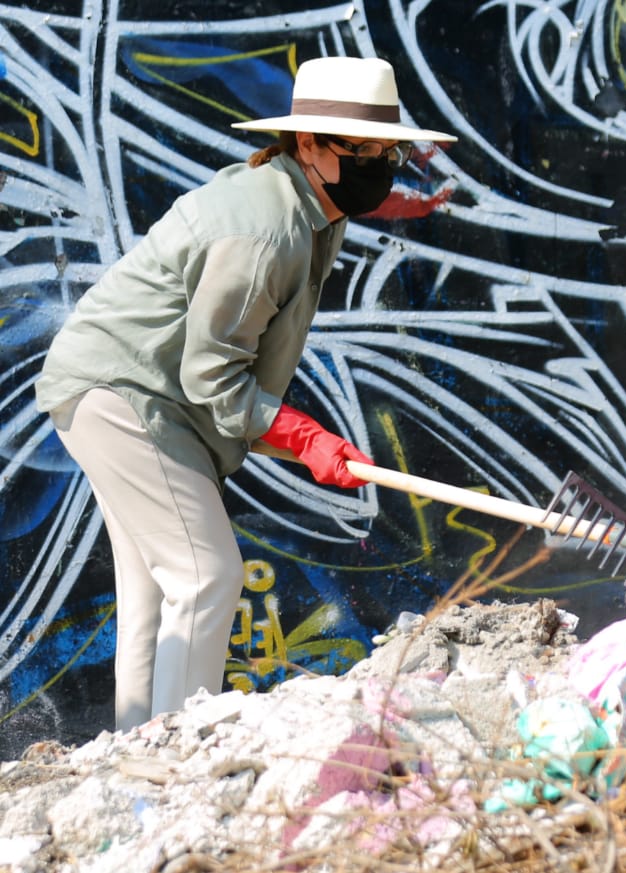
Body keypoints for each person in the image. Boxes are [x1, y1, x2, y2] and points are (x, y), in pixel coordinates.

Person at [34, 56, 456, 731]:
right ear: (309, 144)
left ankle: (136, 753)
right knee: (206, 576)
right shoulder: (266, 231)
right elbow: (211, 375)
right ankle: (178, 755)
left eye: (389, 153)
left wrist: (304, 443)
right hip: (124, 396)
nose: (380, 167)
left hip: (133, 393)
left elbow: (216, 371)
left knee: (156, 593)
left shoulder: (312, 208)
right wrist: (304, 438)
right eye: (364, 152)